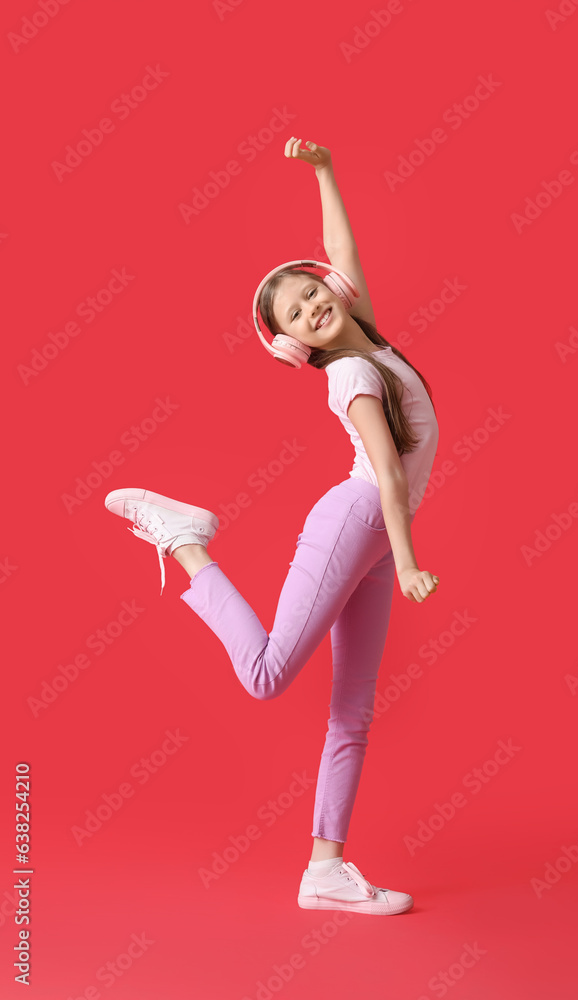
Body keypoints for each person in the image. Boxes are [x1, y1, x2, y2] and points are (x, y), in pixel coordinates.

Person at [104, 137, 440, 916]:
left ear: (338, 293)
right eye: (296, 314)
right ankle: (184, 539)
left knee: (352, 709)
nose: (314, 307)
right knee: (266, 677)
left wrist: (324, 171)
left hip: (376, 539)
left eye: (314, 294)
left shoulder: (376, 342)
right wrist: (410, 558)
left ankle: (325, 869)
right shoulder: (352, 375)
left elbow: (338, 249)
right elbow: (388, 475)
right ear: (296, 343)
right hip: (361, 521)